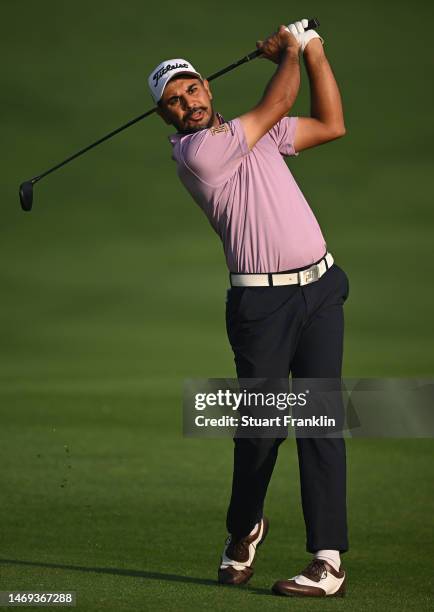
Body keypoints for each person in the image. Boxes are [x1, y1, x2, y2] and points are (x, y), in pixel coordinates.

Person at [148, 19, 349, 598]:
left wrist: (312, 50)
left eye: (190, 89)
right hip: (261, 304)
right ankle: (244, 529)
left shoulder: (253, 134)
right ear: (166, 118)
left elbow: (332, 123)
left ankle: (327, 560)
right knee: (261, 432)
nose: (185, 103)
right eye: (172, 102)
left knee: (320, 423)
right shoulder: (200, 154)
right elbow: (280, 98)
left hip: (321, 289)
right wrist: (287, 49)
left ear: (207, 87)